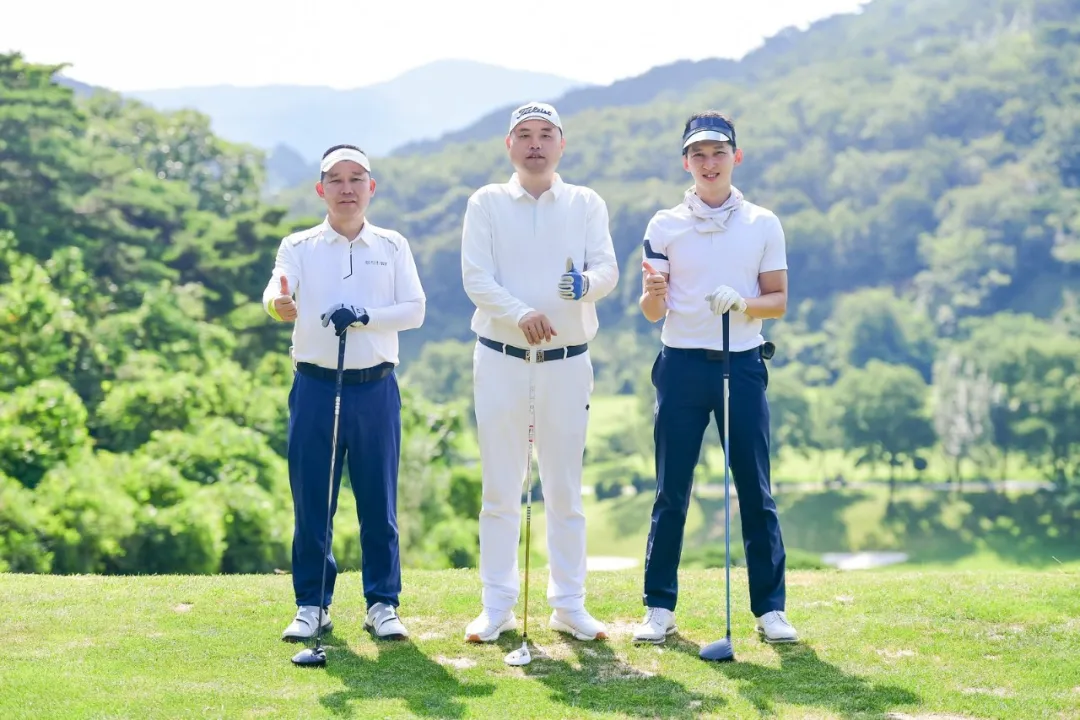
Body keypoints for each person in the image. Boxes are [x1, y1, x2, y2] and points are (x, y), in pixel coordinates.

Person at [632, 111, 799, 645]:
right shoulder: (664, 225)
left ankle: (770, 610)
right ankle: (659, 607)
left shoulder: (762, 223)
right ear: (686, 162)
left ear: (736, 157)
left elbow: (778, 301)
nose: (709, 163)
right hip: (680, 366)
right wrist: (653, 295)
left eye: (718, 153)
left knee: (755, 490)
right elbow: (652, 312)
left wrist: (743, 302)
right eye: (698, 155)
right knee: (671, 491)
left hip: (741, 364)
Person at [460, 101, 620, 643]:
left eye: (546, 134)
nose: (535, 144)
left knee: (564, 489)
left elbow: (607, 268)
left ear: (561, 144)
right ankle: (497, 605)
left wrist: (586, 285)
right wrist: (520, 313)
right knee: (501, 488)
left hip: (566, 361)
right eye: (524, 134)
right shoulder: (485, 202)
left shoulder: (585, 202)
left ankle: (569, 605)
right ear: (509, 145)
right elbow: (476, 278)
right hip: (501, 357)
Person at [262, 144, 426, 643]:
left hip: (375, 389)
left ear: (371, 187)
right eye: (336, 179)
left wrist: (365, 316)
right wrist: (278, 304)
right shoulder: (299, 245)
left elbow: (415, 310)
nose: (347, 188)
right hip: (315, 386)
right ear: (321, 189)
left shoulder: (392, 245)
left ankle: (382, 603)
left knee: (379, 503)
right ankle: (312, 604)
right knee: (314, 501)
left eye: (357, 179)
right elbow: (276, 289)